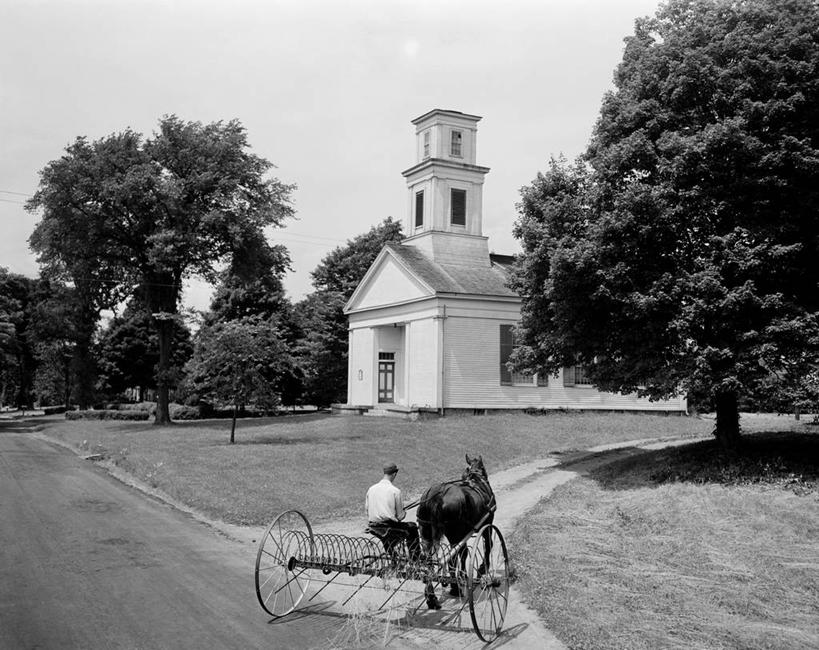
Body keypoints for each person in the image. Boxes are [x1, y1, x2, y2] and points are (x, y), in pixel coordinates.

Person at [365, 462, 421, 559]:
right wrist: (404, 513)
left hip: (373, 525)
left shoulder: (371, 489)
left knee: (388, 535)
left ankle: (393, 554)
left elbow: (367, 510)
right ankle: (415, 558)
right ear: (395, 474)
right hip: (388, 527)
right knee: (412, 527)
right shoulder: (395, 491)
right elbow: (400, 516)